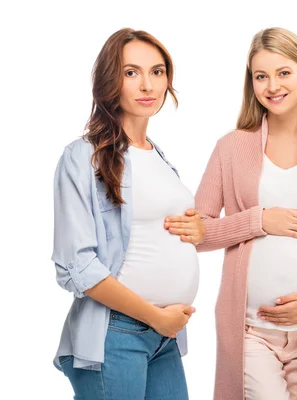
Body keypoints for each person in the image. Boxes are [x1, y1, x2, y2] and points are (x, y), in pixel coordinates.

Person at [190, 27, 297, 400]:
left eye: (283, 72)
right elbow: (198, 231)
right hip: (250, 329)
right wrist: (258, 220)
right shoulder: (231, 147)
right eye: (260, 76)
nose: (272, 85)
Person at [52, 28, 205, 400]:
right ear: (110, 80)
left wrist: (199, 231)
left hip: (164, 337)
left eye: (157, 71)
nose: (147, 84)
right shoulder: (83, 157)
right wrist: (155, 316)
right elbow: (77, 265)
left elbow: (155, 231)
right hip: (115, 335)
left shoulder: (159, 156)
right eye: (131, 72)